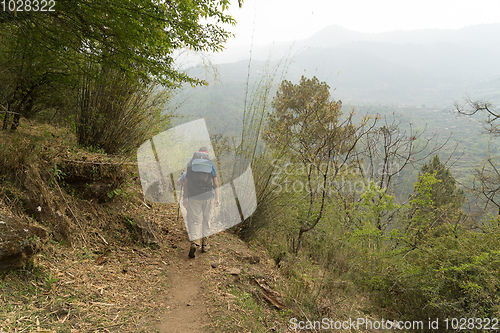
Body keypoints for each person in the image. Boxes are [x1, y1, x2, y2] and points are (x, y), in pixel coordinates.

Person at [182, 147, 220, 258]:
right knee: (206, 219)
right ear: (207, 154)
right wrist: (217, 198)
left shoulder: (191, 164)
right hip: (208, 196)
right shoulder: (211, 164)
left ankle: (195, 243)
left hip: (194, 196)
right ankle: (204, 245)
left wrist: (185, 197)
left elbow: (186, 182)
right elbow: (216, 184)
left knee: (195, 220)